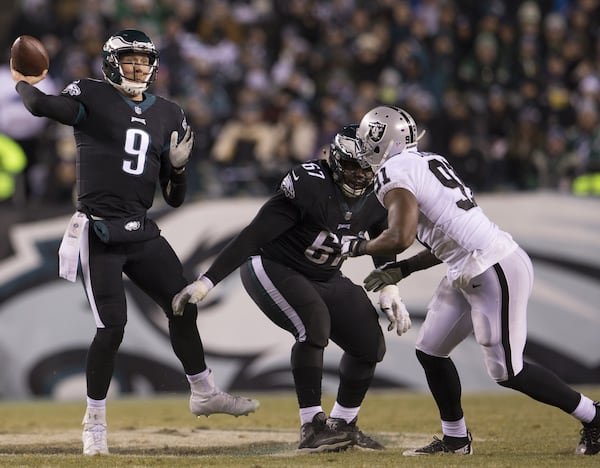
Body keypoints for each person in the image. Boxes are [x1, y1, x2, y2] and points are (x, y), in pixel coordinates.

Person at [11, 29, 259, 456]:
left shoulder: (169, 114)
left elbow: (176, 199)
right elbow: (39, 106)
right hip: (99, 230)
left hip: (140, 228)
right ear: (111, 62)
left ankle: (204, 392)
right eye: (130, 59)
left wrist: (178, 171)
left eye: (144, 60)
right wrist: (23, 79)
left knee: (184, 303)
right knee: (112, 329)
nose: (138, 67)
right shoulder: (90, 93)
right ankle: (95, 424)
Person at [344, 105, 600, 456]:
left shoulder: (393, 169)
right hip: (470, 265)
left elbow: (401, 237)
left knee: (509, 371)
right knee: (431, 352)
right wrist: (402, 271)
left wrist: (355, 246)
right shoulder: (426, 161)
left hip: (492, 266)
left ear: (379, 142)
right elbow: (448, 239)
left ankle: (594, 415)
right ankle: (456, 440)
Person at [172, 125, 412, 453]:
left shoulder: (377, 193)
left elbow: (382, 237)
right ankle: (312, 426)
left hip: (325, 275)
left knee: (369, 344)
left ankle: (341, 424)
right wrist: (207, 281)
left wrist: (389, 287)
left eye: (369, 167)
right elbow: (254, 234)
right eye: (355, 166)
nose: (362, 175)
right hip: (272, 266)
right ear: (337, 160)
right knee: (314, 326)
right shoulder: (312, 183)